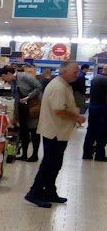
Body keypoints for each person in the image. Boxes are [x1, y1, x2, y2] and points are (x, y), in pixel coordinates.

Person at [25, 61, 84, 208]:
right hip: (54, 132)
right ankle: (34, 193)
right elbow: (59, 111)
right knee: (49, 164)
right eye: (74, 72)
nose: (77, 75)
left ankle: (50, 191)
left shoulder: (64, 85)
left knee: (55, 164)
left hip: (58, 132)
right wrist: (77, 117)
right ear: (64, 71)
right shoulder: (58, 87)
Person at [15, 63, 42, 161]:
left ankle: (35, 155)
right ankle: (24, 154)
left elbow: (39, 86)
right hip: (23, 107)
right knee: (24, 131)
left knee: (34, 130)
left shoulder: (25, 77)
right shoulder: (13, 81)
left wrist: (29, 96)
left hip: (33, 106)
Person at [82, 69, 107, 161]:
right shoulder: (105, 80)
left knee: (91, 131)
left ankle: (87, 153)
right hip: (102, 108)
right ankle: (99, 155)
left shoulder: (95, 78)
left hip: (92, 107)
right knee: (102, 132)